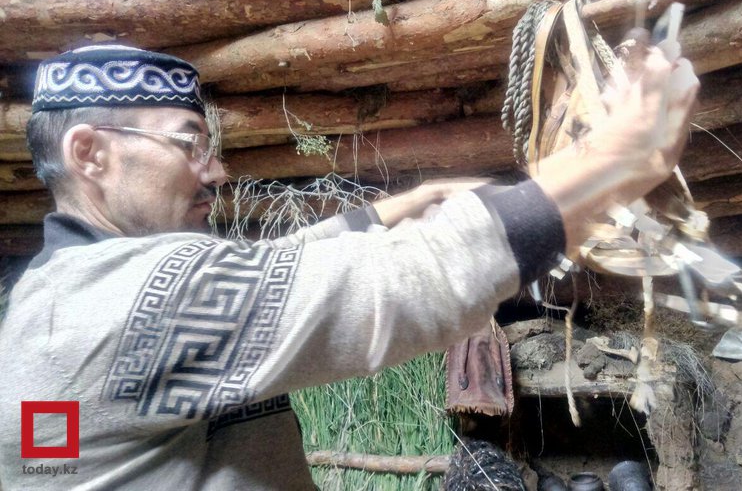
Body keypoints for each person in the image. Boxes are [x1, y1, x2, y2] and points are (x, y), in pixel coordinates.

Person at [0, 41, 698, 490]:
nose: (215, 172)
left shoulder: (63, 297)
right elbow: (397, 285)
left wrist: (405, 206)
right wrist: (617, 160)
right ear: (91, 154)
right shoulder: (126, 307)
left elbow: (268, 270)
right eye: (188, 145)